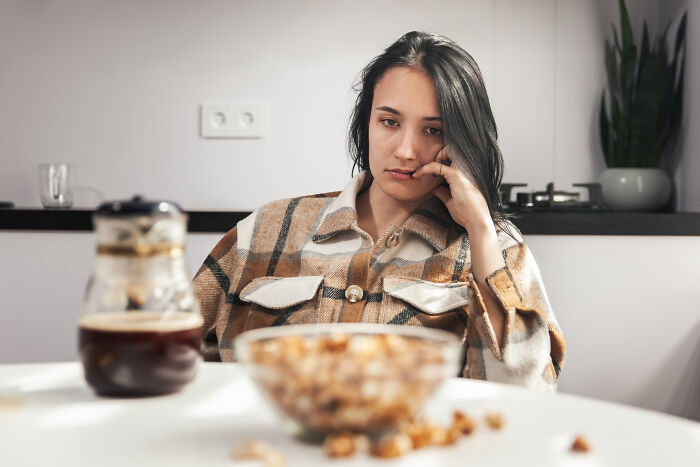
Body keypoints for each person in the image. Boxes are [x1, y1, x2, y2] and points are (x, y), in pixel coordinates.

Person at [193, 31, 565, 390]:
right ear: (366, 123)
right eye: (390, 122)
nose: (405, 150)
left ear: (462, 141)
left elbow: (526, 394)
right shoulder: (266, 229)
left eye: (433, 130)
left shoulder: (496, 248)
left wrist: (481, 231)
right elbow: (174, 355)